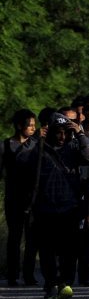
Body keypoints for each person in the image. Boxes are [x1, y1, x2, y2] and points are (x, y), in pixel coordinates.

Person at [20, 112, 89, 299]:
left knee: (69, 251)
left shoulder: (73, 148)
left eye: (65, 132)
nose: (62, 136)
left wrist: (80, 134)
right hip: (45, 209)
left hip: (70, 208)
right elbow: (22, 160)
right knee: (47, 251)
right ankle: (51, 283)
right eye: (58, 132)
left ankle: (65, 283)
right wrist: (36, 139)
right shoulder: (40, 148)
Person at [1, 109, 39, 286]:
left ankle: (29, 274)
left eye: (34, 125)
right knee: (14, 237)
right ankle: (12, 274)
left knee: (32, 238)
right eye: (29, 125)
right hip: (13, 196)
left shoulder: (37, 144)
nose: (32, 128)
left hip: (32, 197)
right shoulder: (6, 145)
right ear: (19, 126)